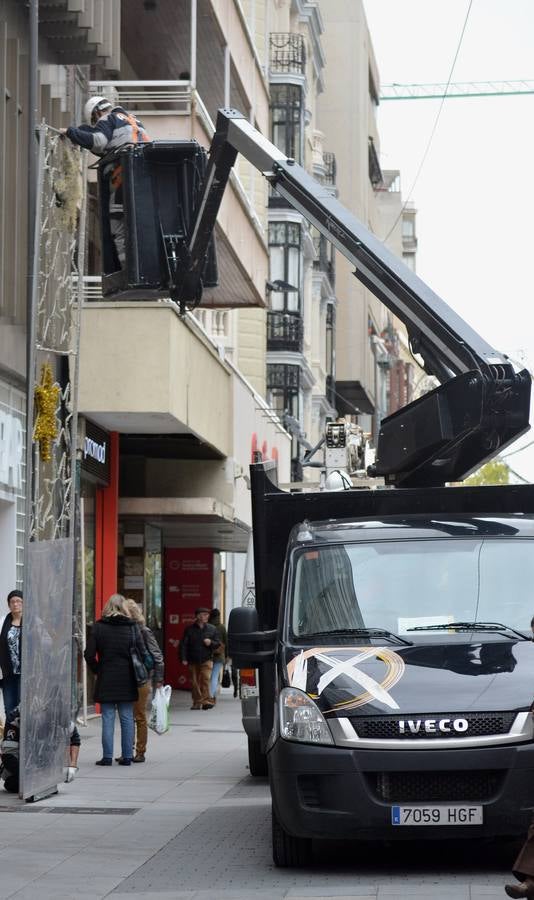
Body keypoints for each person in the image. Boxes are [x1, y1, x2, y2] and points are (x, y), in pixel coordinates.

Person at [61, 96, 150, 268]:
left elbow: (99, 142)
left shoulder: (106, 118)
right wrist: (80, 134)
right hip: (144, 178)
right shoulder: (133, 121)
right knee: (139, 225)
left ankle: (127, 271)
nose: (97, 123)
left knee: (118, 225)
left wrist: (71, 132)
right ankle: (144, 266)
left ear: (97, 112)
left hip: (123, 176)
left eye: (95, 120)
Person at [84, 593, 144, 766]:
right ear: (124, 607)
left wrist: (97, 669)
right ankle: (127, 757)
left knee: (108, 718)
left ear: (107, 607)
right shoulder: (132, 627)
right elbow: (140, 651)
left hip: (106, 677)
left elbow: (88, 654)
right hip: (127, 677)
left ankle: (107, 757)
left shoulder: (99, 627)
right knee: (126, 718)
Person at [119, 599, 164, 764]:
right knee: (127, 716)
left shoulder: (144, 631)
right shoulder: (124, 630)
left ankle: (140, 751)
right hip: (126, 678)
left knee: (138, 716)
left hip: (141, 678)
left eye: (123, 612)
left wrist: (158, 680)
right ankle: (127, 751)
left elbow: (158, 657)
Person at [180, 607, 220, 710]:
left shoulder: (212, 628)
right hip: (192, 659)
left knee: (205, 679)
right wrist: (183, 658)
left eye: (207, 615)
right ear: (197, 616)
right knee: (194, 682)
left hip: (207, 659)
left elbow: (218, 643)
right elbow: (184, 645)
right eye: (203, 614)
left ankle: (206, 701)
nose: (206, 616)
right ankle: (197, 702)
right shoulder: (189, 629)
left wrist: (211, 642)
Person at [0, 590, 23, 716]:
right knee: (9, 708)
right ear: (9, 604)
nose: (15, 604)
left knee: (23, 708)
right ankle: (11, 735)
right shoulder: (3, 622)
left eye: (19, 601)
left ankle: (23, 736)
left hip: (26, 675)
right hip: (8, 673)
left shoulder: (32, 622)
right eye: (12, 601)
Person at [208, 608, 227, 705]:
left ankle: (209, 695)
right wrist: (227, 656)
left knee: (207, 676)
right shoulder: (222, 627)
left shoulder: (207, 626)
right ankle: (212, 696)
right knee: (215, 676)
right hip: (220, 655)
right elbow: (226, 642)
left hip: (207, 655)